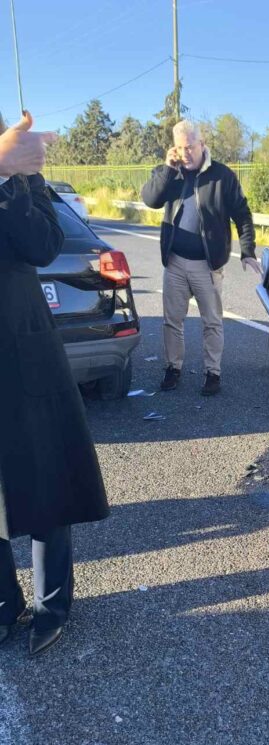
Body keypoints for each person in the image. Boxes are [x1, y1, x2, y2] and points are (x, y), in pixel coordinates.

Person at [0, 112, 109, 656]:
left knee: (46, 475)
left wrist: (8, 180)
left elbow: (43, 246)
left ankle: (52, 604)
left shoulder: (24, 181)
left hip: (26, 354)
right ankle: (4, 604)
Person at [141, 120, 260, 396]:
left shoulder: (222, 176)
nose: (185, 154)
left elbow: (242, 214)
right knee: (172, 321)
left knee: (212, 322)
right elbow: (151, 199)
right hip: (175, 262)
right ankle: (173, 368)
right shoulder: (169, 174)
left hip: (207, 265)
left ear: (202, 145)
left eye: (190, 147)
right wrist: (168, 170)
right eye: (180, 148)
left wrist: (247, 250)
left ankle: (212, 373)